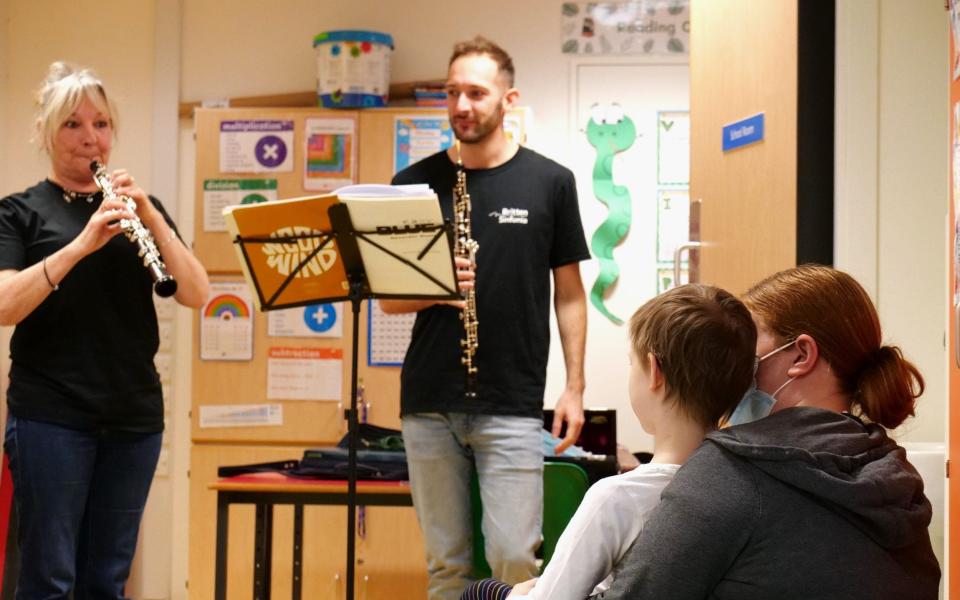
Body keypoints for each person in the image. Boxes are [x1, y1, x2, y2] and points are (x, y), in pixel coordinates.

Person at [379, 36, 589, 599]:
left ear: (508, 98)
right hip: (429, 399)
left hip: (511, 398)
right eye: (452, 93)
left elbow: (569, 293)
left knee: (515, 559)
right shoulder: (412, 184)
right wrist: (436, 287)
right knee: (446, 565)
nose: (461, 106)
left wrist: (574, 386)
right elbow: (389, 301)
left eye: (476, 92)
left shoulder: (550, 182)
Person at [597, 265, 942, 600]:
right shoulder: (896, 477)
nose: (731, 364)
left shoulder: (732, 471)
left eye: (747, 347)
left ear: (802, 355)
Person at [0, 62, 209, 599]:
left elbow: (196, 292)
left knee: (106, 580)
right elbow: (4, 305)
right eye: (72, 124)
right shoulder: (19, 213)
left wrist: (151, 215)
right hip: (51, 415)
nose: (90, 137)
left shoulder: (139, 208)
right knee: (50, 578)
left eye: (101, 124)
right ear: (47, 132)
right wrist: (81, 245)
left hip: (132, 417)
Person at [460, 284, 758, 600]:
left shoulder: (618, 498)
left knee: (482, 592)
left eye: (632, 363)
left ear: (655, 372)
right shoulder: (743, 484)